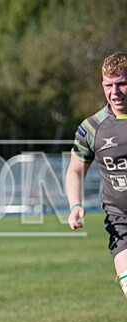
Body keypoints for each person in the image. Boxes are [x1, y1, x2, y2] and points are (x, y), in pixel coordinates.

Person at [66, 53, 127, 300]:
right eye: (108, 85)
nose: (115, 92)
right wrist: (75, 205)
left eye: (122, 83)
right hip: (121, 224)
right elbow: (75, 170)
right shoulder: (92, 127)